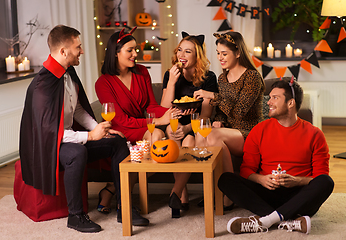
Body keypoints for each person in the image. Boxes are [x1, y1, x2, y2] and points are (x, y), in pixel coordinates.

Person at [19, 25, 148, 233]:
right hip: (50, 148)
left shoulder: (68, 73)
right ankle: (76, 216)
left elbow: (77, 109)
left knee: (116, 141)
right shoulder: (42, 85)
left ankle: (124, 207)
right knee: (77, 151)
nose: (82, 51)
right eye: (78, 47)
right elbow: (52, 134)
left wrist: (100, 129)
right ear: (63, 51)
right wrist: (90, 135)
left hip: (69, 137)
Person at [218, 79, 334, 235]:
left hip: (299, 196)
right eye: (270, 97)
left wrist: (296, 181)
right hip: (267, 193)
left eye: (275, 98)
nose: (269, 102)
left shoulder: (315, 134)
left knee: (326, 182)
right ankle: (288, 221)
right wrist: (262, 179)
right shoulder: (259, 130)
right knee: (225, 179)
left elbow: (320, 176)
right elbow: (246, 170)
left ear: (290, 103)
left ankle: (265, 220)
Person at [95, 27, 181, 216]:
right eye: (130, 50)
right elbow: (121, 121)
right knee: (156, 130)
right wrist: (159, 120)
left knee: (157, 135)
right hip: (119, 130)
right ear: (116, 53)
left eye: (136, 49)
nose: (136, 54)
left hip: (139, 127)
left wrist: (172, 112)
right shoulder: (103, 83)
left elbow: (150, 106)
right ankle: (122, 197)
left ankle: (114, 190)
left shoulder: (141, 72)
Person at [193, 31, 265, 209]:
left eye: (224, 54)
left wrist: (212, 96)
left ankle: (230, 194)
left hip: (251, 132)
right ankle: (212, 191)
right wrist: (219, 120)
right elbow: (223, 111)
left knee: (214, 136)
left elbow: (239, 111)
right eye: (218, 53)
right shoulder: (222, 78)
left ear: (238, 53)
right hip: (231, 132)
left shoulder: (252, 77)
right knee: (202, 135)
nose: (220, 58)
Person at [160, 31, 218, 218]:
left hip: (195, 124)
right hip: (174, 122)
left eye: (188, 52)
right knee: (171, 131)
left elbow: (206, 114)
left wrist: (187, 128)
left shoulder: (209, 78)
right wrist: (172, 82)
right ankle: (181, 195)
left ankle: (176, 192)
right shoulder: (171, 74)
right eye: (179, 51)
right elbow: (163, 109)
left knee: (189, 142)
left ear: (197, 56)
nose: (181, 56)